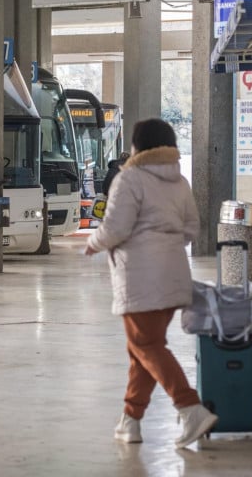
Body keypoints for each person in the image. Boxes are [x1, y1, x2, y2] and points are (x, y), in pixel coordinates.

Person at [84, 118, 217, 449]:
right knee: (142, 349)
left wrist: (94, 243)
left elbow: (115, 228)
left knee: (146, 346)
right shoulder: (179, 181)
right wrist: (166, 243)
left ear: (138, 146)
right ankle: (130, 421)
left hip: (141, 277)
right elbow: (191, 228)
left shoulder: (130, 178)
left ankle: (190, 408)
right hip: (173, 274)